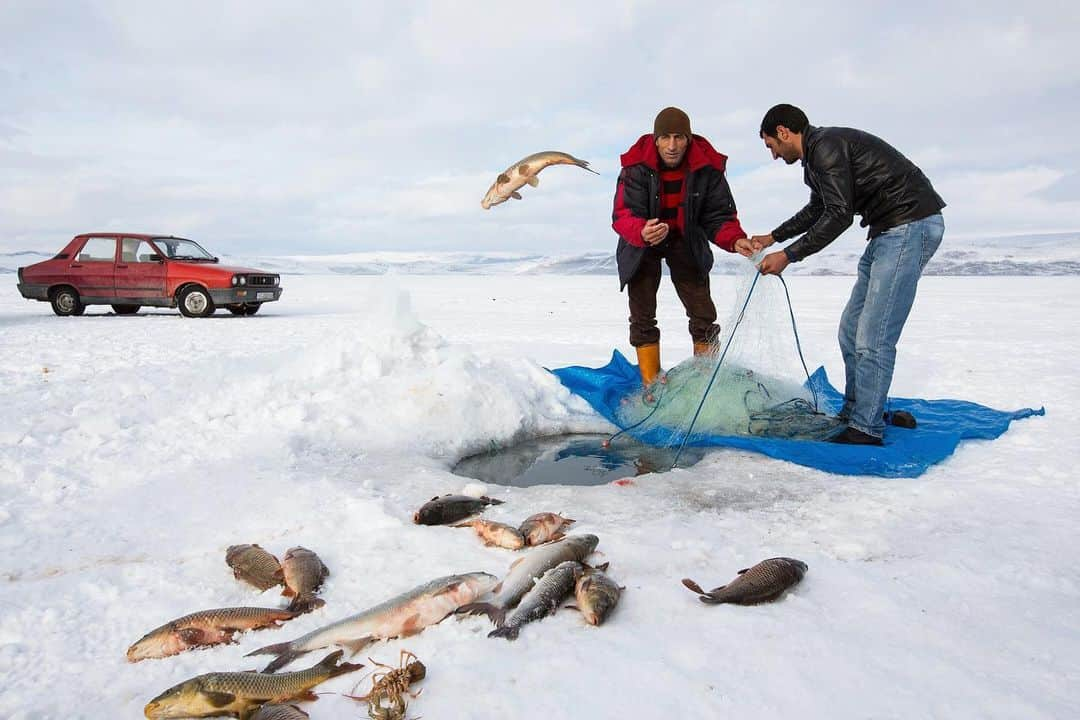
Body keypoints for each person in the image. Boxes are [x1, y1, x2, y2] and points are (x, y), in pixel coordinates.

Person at [745, 104, 946, 445]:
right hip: (887, 231)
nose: (774, 156)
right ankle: (859, 413)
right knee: (851, 330)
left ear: (782, 132)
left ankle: (866, 428)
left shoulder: (826, 147)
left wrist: (789, 256)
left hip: (910, 225)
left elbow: (839, 215)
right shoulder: (817, 157)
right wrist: (773, 238)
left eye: (771, 146)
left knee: (874, 336)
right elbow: (819, 208)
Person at [612, 106, 753, 387]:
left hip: (686, 239)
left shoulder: (707, 168)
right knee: (642, 316)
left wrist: (735, 239)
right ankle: (651, 383)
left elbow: (719, 216)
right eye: (665, 137)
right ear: (655, 139)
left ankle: (704, 383)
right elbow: (622, 213)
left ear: (689, 139)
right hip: (643, 243)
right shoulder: (636, 166)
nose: (673, 146)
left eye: (679, 137)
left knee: (703, 314)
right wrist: (642, 231)